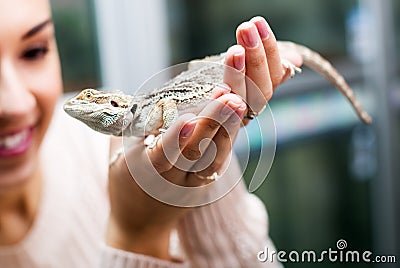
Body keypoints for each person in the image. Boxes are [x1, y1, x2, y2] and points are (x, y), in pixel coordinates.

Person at [0, 0, 302, 267]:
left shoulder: (104, 146)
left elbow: (167, 107)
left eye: (34, 51)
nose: (14, 105)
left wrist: (202, 179)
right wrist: (137, 234)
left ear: (116, 103)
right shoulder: (111, 150)